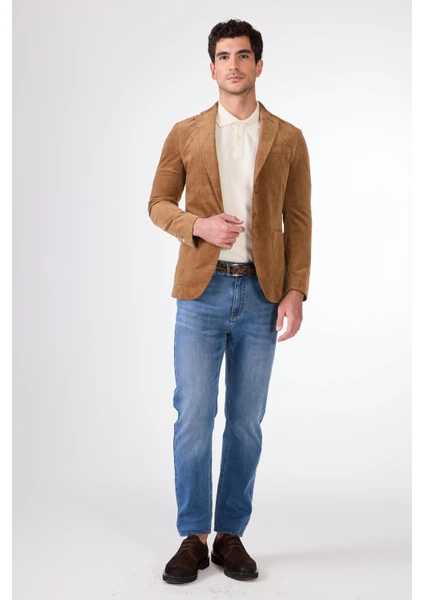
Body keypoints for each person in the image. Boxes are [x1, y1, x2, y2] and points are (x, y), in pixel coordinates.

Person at [147, 18, 312, 585]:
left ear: (258, 65)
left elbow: (298, 220)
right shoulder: (185, 132)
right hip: (202, 292)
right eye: (224, 56)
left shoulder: (288, 138)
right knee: (193, 416)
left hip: (263, 293)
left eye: (243, 55)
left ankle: (230, 534)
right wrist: (198, 225)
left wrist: (295, 289)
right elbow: (158, 203)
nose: (234, 65)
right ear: (212, 67)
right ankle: (193, 536)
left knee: (245, 423)